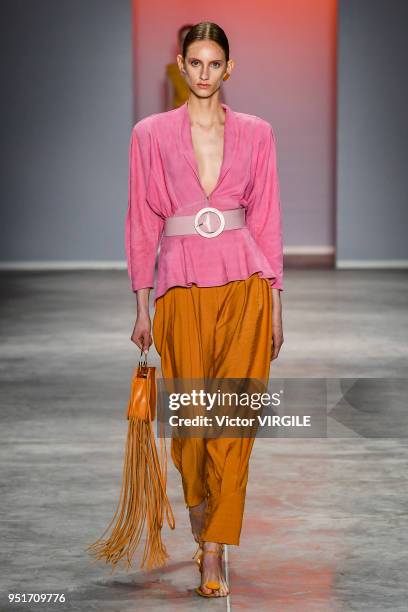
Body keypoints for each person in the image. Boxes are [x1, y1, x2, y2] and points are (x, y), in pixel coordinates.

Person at [125, 21, 284, 598]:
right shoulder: (150, 134)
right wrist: (141, 303)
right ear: (180, 64)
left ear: (228, 69)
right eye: (195, 63)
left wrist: (277, 301)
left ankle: (214, 546)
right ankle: (200, 510)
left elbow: (266, 219)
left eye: (214, 64)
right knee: (193, 419)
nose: (203, 74)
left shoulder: (258, 133)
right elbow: (142, 219)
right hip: (179, 285)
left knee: (233, 419)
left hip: (245, 283)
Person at [165, 24, 193, 109]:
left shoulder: (209, 68)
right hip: (179, 120)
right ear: (179, 43)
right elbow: (168, 105)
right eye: (183, 40)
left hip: (206, 120)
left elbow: (220, 102)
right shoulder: (172, 71)